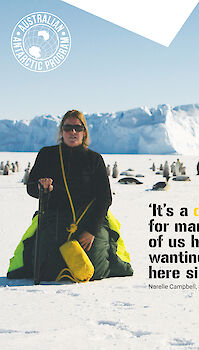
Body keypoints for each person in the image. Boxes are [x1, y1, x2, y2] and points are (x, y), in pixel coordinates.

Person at [7, 110, 133, 282]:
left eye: (77, 128)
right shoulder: (47, 154)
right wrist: (43, 189)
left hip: (89, 219)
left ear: (84, 132)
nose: (73, 132)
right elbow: (31, 188)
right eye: (68, 128)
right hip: (55, 219)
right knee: (46, 269)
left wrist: (91, 230)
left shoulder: (94, 159)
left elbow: (104, 198)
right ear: (61, 131)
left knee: (94, 269)